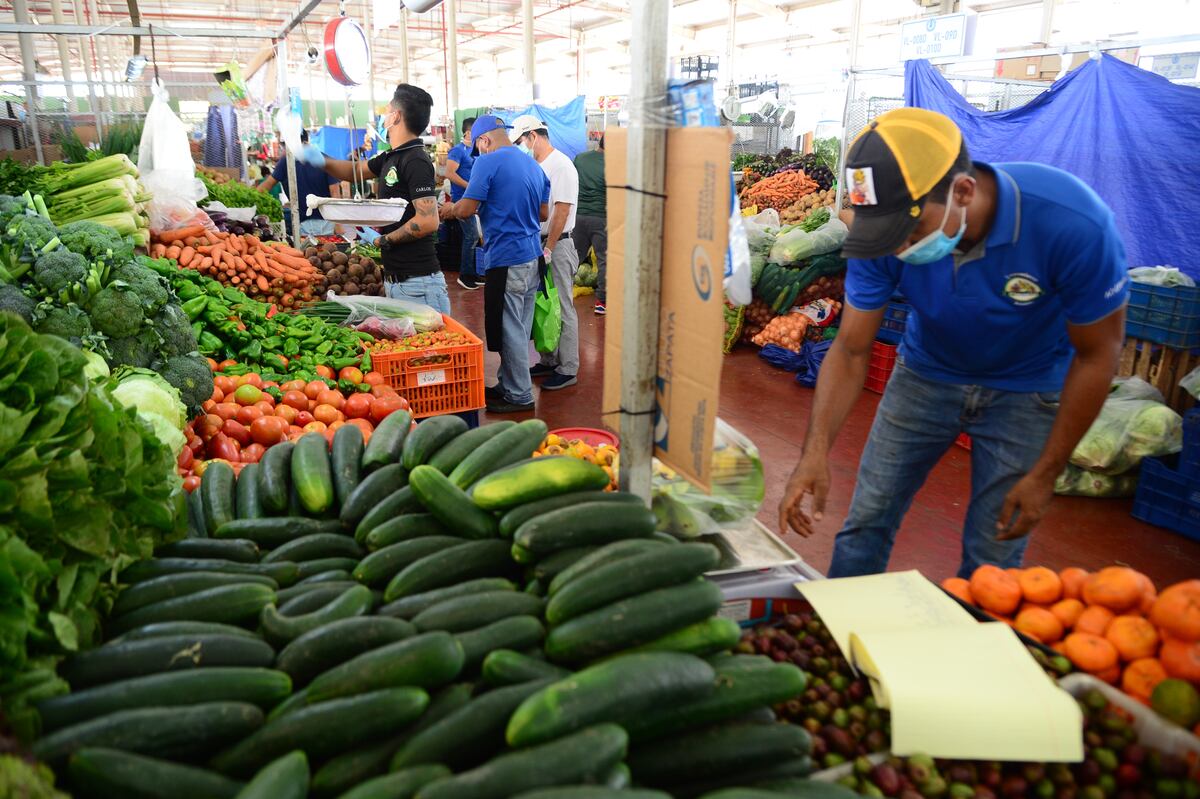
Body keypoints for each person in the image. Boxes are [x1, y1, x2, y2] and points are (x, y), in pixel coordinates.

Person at [777, 108, 1128, 579]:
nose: (898, 250)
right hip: (925, 376)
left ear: (963, 191)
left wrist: (1047, 472)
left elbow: (1098, 353)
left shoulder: (1070, 222)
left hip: (1027, 392)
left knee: (995, 554)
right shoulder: (883, 236)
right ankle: (842, 643)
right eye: (886, 237)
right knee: (866, 521)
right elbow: (851, 348)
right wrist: (814, 452)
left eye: (910, 234)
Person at [296, 84, 450, 315]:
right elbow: (354, 170)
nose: (383, 116)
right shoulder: (392, 156)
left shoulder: (415, 159)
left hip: (419, 283)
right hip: (399, 281)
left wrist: (384, 240)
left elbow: (428, 221)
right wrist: (317, 156)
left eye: (387, 110)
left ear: (396, 117)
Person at [440, 115, 550, 414]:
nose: (481, 152)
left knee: (508, 328)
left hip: (507, 258)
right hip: (532, 257)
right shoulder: (532, 163)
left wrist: (446, 211)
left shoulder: (486, 163)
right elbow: (543, 213)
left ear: (483, 140)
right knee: (520, 324)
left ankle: (519, 395)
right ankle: (508, 382)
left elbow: (466, 208)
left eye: (480, 147)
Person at [510, 115, 579, 391]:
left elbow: (562, 209)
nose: (521, 146)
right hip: (539, 242)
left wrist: (549, 247)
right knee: (544, 303)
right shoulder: (536, 164)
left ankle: (568, 366)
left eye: (521, 141)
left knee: (562, 304)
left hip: (558, 244)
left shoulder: (561, 165)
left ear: (533, 136)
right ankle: (549, 359)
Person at [257, 129, 338, 237]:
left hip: (302, 222)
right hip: (327, 222)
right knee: (329, 252)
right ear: (306, 140)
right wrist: (338, 223)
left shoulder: (286, 162)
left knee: (307, 253)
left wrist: (251, 202)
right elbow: (335, 193)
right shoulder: (325, 159)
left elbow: (265, 186)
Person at [446, 117, 482, 291]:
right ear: (468, 132)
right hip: (461, 199)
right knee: (471, 236)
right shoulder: (457, 151)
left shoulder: (475, 151)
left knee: (474, 237)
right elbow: (450, 173)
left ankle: (472, 273)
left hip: (473, 199)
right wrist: (470, 187)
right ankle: (465, 275)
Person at [573, 134, 607, 315]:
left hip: (578, 216)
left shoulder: (580, 158)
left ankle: (561, 292)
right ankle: (602, 301)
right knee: (603, 259)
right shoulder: (613, 165)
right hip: (601, 217)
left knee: (574, 257)